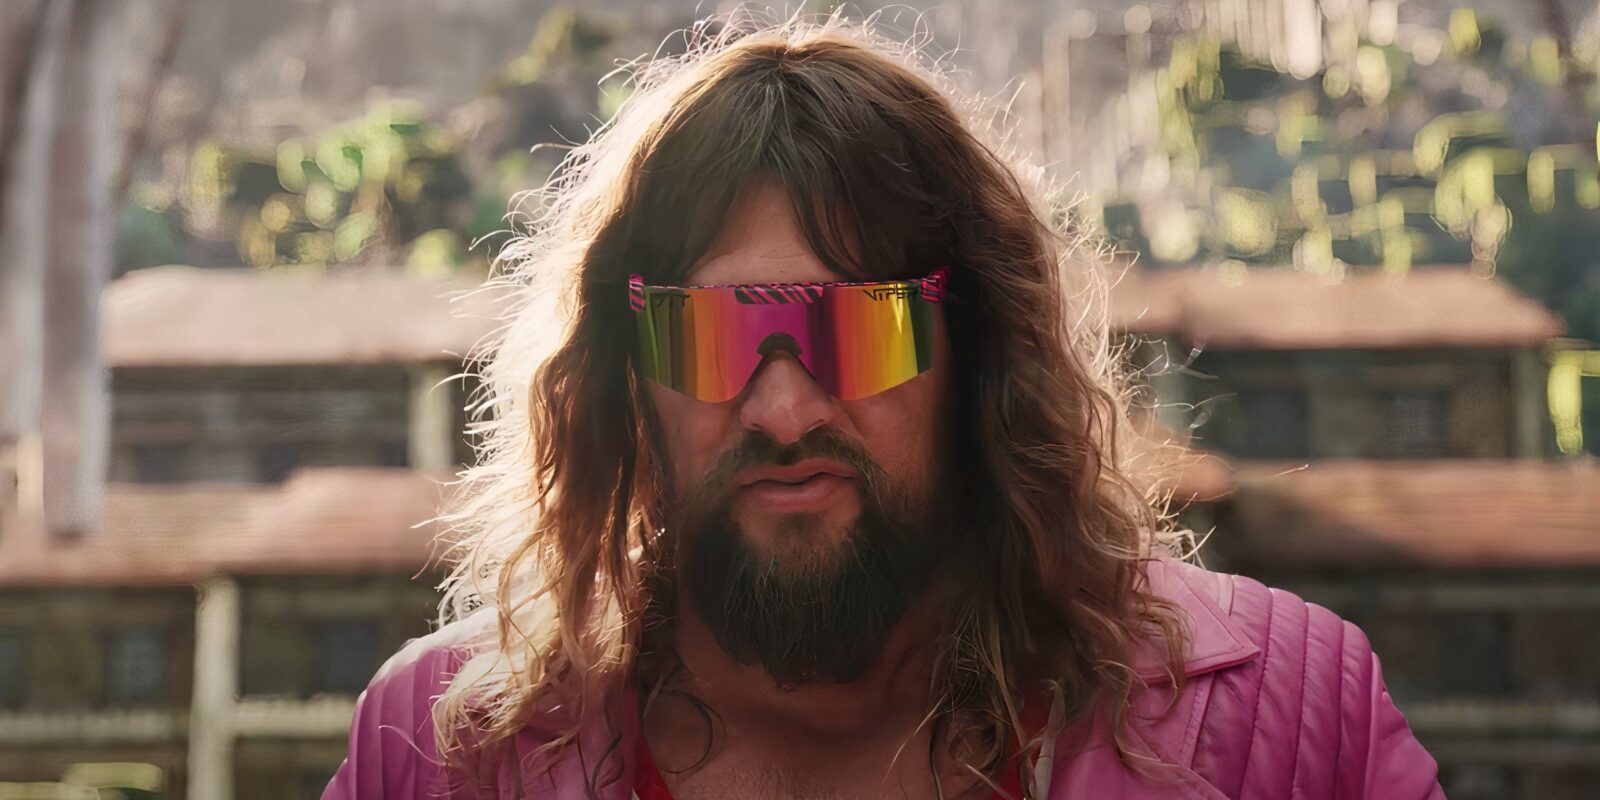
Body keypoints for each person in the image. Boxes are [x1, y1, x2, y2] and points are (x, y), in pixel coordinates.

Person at [323, 10, 1443, 800]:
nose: (782, 408)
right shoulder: (436, 753)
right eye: (707, 338)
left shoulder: (1291, 726)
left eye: (859, 330)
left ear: (977, 353)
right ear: (623, 375)